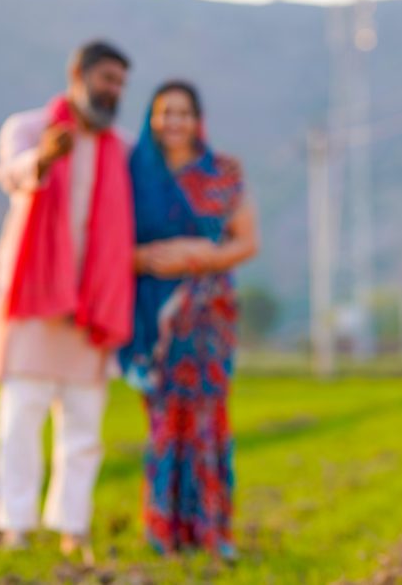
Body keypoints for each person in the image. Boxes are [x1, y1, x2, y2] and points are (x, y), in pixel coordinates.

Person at [0, 40, 135, 561]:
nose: (113, 91)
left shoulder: (124, 149)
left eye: (120, 84)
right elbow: (12, 173)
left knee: (84, 427)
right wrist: (45, 157)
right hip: (32, 300)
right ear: (78, 74)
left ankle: (73, 526)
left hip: (93, 306)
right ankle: (15, 526)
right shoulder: (27, 128)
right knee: (20, 418)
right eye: (107, 79)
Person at [120, 80, 259, 560]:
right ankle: (163, 530)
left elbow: (246, 242)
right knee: (164, 421)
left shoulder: (222, 172)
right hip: (154, 318)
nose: (173, 121)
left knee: (208, 421)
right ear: (151, 119)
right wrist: (144, 259)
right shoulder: (133, 173)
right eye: (164, 112)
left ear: (197, 119)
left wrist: (199, 256)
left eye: (182, 112)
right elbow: (109, 242)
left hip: (208, 316)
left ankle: (213, 531)